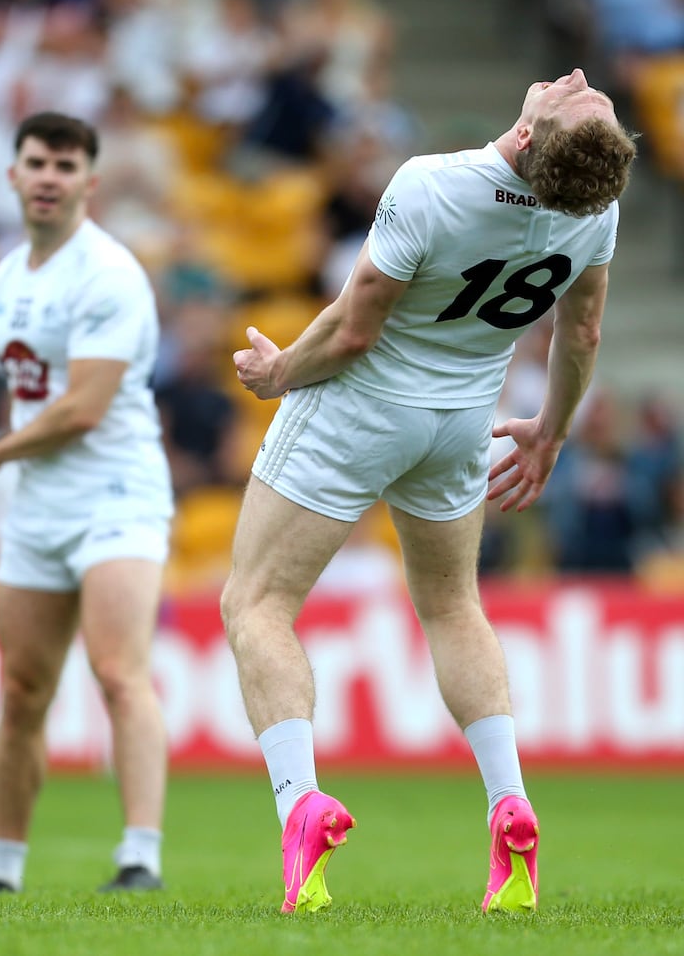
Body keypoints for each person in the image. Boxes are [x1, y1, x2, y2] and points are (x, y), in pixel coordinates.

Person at [220, 68, 637, 914]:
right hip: (462, 424)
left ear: (527, 137)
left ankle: (301, 803)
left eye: (576, 94)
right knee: (452, 606)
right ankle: (509, 800)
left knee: (256, 602)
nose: (577, 75)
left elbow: (354, 326)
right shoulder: (596, 206)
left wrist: (277, 373)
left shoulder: (433, 183)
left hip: (357, 411)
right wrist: (550, 430)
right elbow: (582, 329)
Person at [0, 111, 174, 894]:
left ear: (90, 180)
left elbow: (82, 409)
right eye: (37, 162)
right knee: (20, 690)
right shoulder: (8, 273)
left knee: (119, 672)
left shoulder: (109, 274)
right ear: (13, 174)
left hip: (117, 489)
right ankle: (2, 871)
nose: (49, 176)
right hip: (42, 501)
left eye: (65, 164)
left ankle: (140, 856)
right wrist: (14, 458)